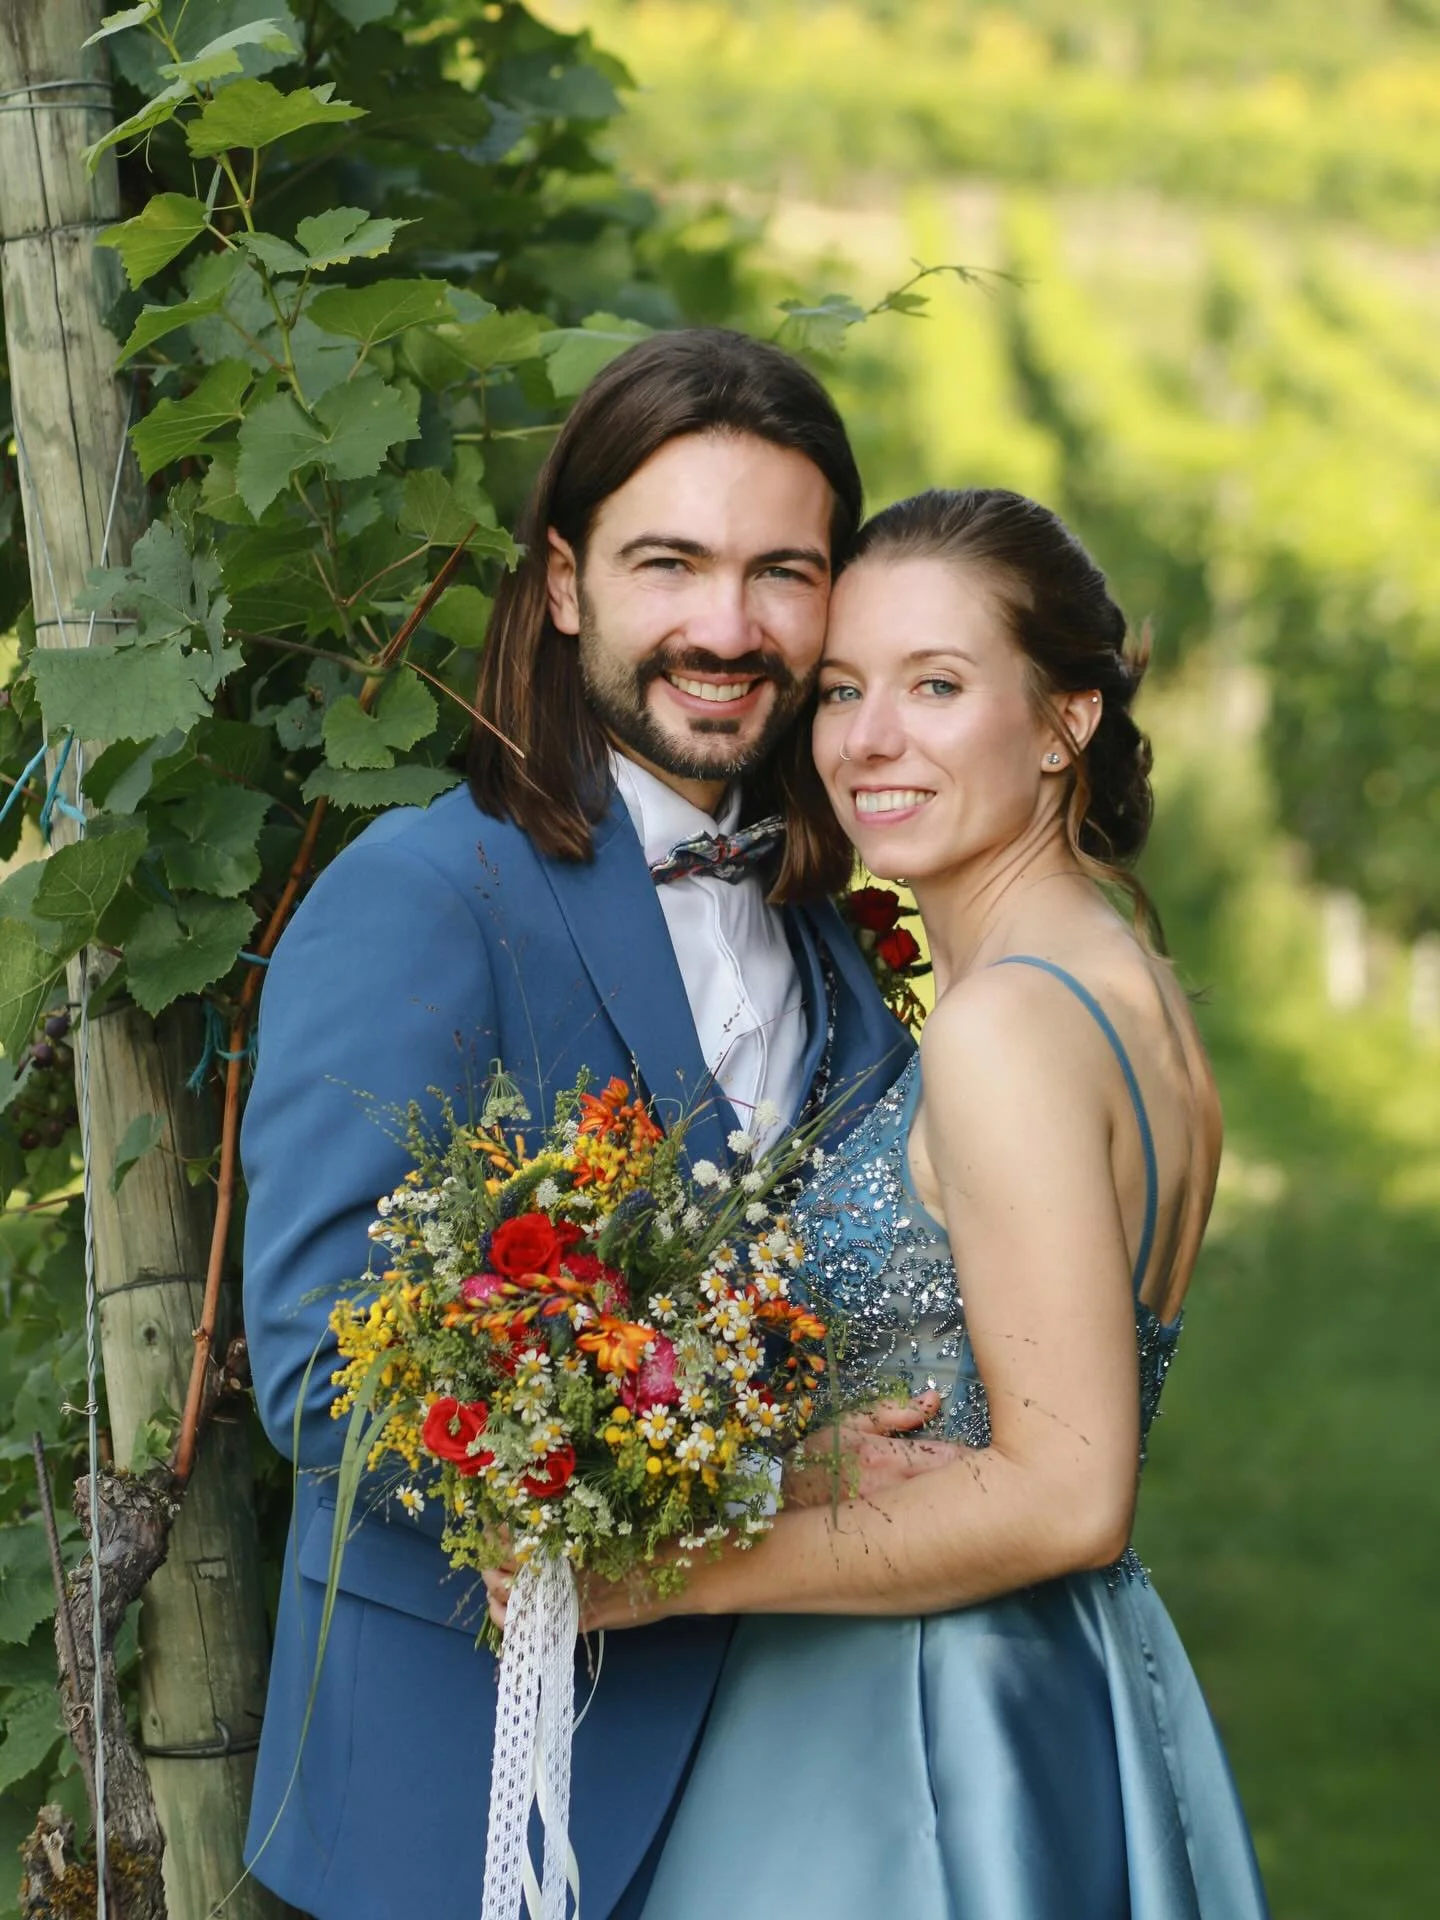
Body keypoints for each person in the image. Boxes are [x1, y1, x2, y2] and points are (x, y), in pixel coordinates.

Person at [239, 330, 913, 1920]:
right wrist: (756, 1482)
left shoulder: (839, 945)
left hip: (799, 1795)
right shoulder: (423, 897)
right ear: (563, 585)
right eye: (667, 562)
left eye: (782, 574)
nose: (725, 627)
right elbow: (323, 1369)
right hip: (462, 1805)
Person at [541, 486, 1269, 1917]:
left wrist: (662, 1574)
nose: (867, 740)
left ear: (1064, 721)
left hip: (915, 1729)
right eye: (843, 690)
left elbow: (1068, 1493)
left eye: (937, 686)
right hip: (1060, 1680)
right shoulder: (1133, 993)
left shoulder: (1008, 1029)